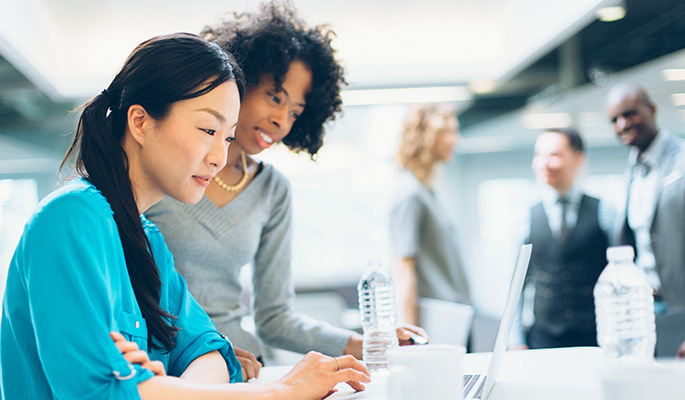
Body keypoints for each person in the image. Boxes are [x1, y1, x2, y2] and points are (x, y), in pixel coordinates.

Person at [0, 32, 369, 399]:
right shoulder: (69, 220)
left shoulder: (147, 240)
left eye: (226, 137)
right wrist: (282, 391)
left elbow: (211, 352)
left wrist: (162, 389)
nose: (219, 157)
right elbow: (98, 393)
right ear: (141, 122)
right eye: (208, 129)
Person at [145, 1, 424, 374]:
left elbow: (274, 317)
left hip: (240, 366)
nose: (281, 120)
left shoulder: (272, 190)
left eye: (295, 111)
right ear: (237, 81)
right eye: (275, 98)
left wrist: (363, 344)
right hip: (164, 363)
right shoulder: (164, 169)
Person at [509, 128, 611, 350]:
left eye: (553, 155)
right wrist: (515, 340)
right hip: (543, 339)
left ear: (578, 159)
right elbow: (516, 286)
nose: (543, 163)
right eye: (538, 155)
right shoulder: (526, 217)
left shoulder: (604, 211)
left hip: (597, 338)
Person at [606, 83, 685, 356]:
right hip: (643, 311)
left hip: (680, 308)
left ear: (651, 109)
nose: (622, 124)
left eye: (629, 113)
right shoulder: (632, 172)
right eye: (614, 119)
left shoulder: (682, 160)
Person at [388, 103, 472, 326]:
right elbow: (404, 269)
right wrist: (410, 336)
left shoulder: (428, 193)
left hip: (453, 318)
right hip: (436, 325)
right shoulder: (410, 194)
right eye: (449, 132)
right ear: (428, 137)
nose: (456, 140)